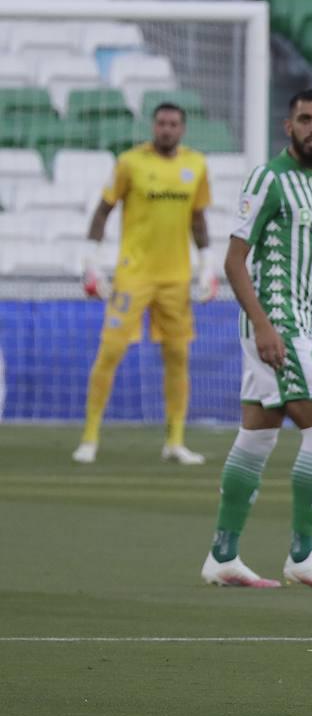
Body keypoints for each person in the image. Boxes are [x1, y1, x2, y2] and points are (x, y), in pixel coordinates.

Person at [199, 88, 312, 591]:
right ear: (288, 126)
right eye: (304, 119)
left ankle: (223, 556)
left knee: (259, 435)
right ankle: (302, 555)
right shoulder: (268, 180)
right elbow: (232, 260)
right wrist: (264, 326)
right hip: (277, 326)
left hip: (303, 327)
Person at [73, 102, 219, 465]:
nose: (166, 129)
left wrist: (207, 264)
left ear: (182, 129)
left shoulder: (196, 165)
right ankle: (90, 437)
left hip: (175, 278)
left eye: (173, 124)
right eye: (161, 123)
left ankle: (175, 440)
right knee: (110, 351)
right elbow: (104, 209)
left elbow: (198, 219)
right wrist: (91, 260)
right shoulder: (130, 162)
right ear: (153, 126)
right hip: (133, 275)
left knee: (177, 356)